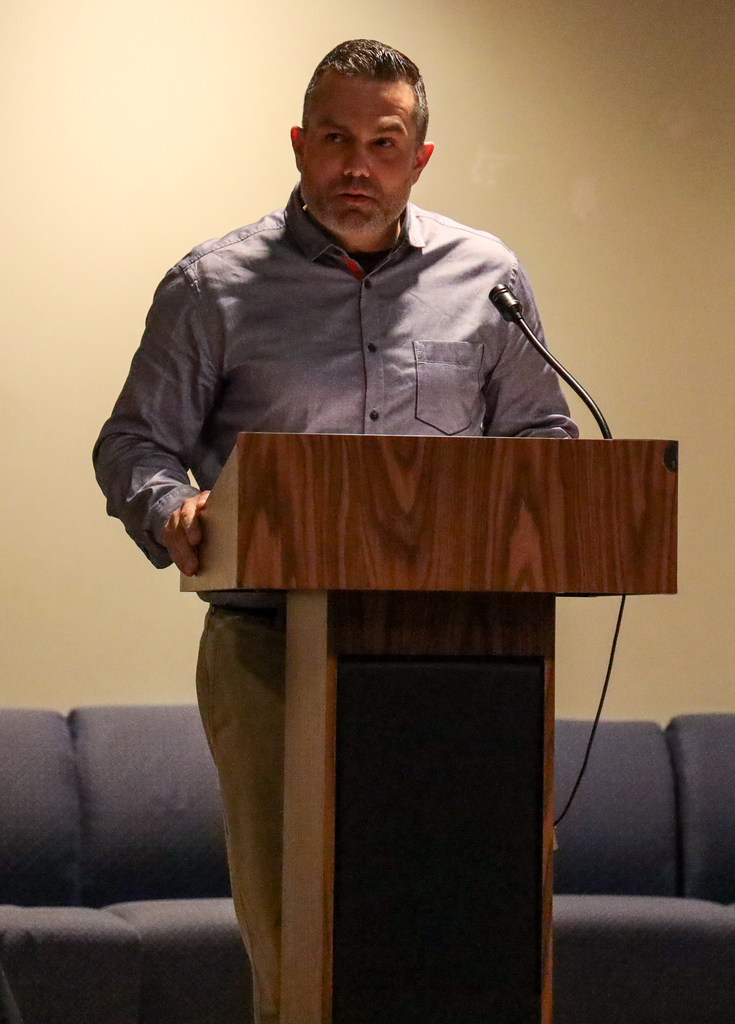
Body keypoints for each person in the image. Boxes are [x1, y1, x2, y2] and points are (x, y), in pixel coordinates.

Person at [94, 39, 577, 1024]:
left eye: (384, 142)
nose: (358, 164)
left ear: (421, 158)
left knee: (449, 951)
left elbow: (542, 450)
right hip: (273, 650)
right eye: (335, 139)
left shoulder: (488, 280)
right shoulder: (213, 284)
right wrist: (170, 507)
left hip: (456, 667)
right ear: (299, 144)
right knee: (302, 951)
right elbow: (135, 444)